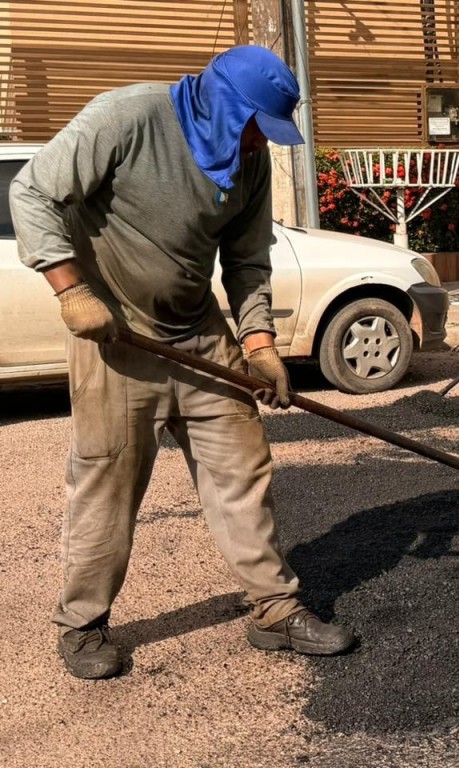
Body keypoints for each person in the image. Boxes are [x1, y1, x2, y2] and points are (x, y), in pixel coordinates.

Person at [10, 45, 356, 680]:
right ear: (226, 106)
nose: (261, 144)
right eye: (257, 129)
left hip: (199, 336)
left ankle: (274, 608)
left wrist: (260, 345)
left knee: (243, 469)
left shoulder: (250, 163)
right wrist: (71, 289)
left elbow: (247, 260)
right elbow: (32, 191)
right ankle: (82, 622)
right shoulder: (128, 117)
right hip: (117, 340)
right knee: (107, 482)